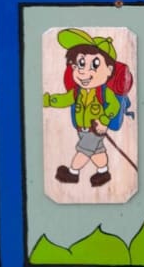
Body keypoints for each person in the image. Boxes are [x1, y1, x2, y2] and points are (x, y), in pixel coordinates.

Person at [43, 28, 120, 187]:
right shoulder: (78, 91)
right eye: (81, 63)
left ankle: (73, 173)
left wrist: (104, 120)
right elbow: (65, 99)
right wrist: (49, 100)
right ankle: (103, 172)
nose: (83, 71)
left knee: (83, 151)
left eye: (95, 65)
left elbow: (114, 105)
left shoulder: (104, 92)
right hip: (82, 129)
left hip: (94, 129)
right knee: (97, 152)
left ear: (109, 70)